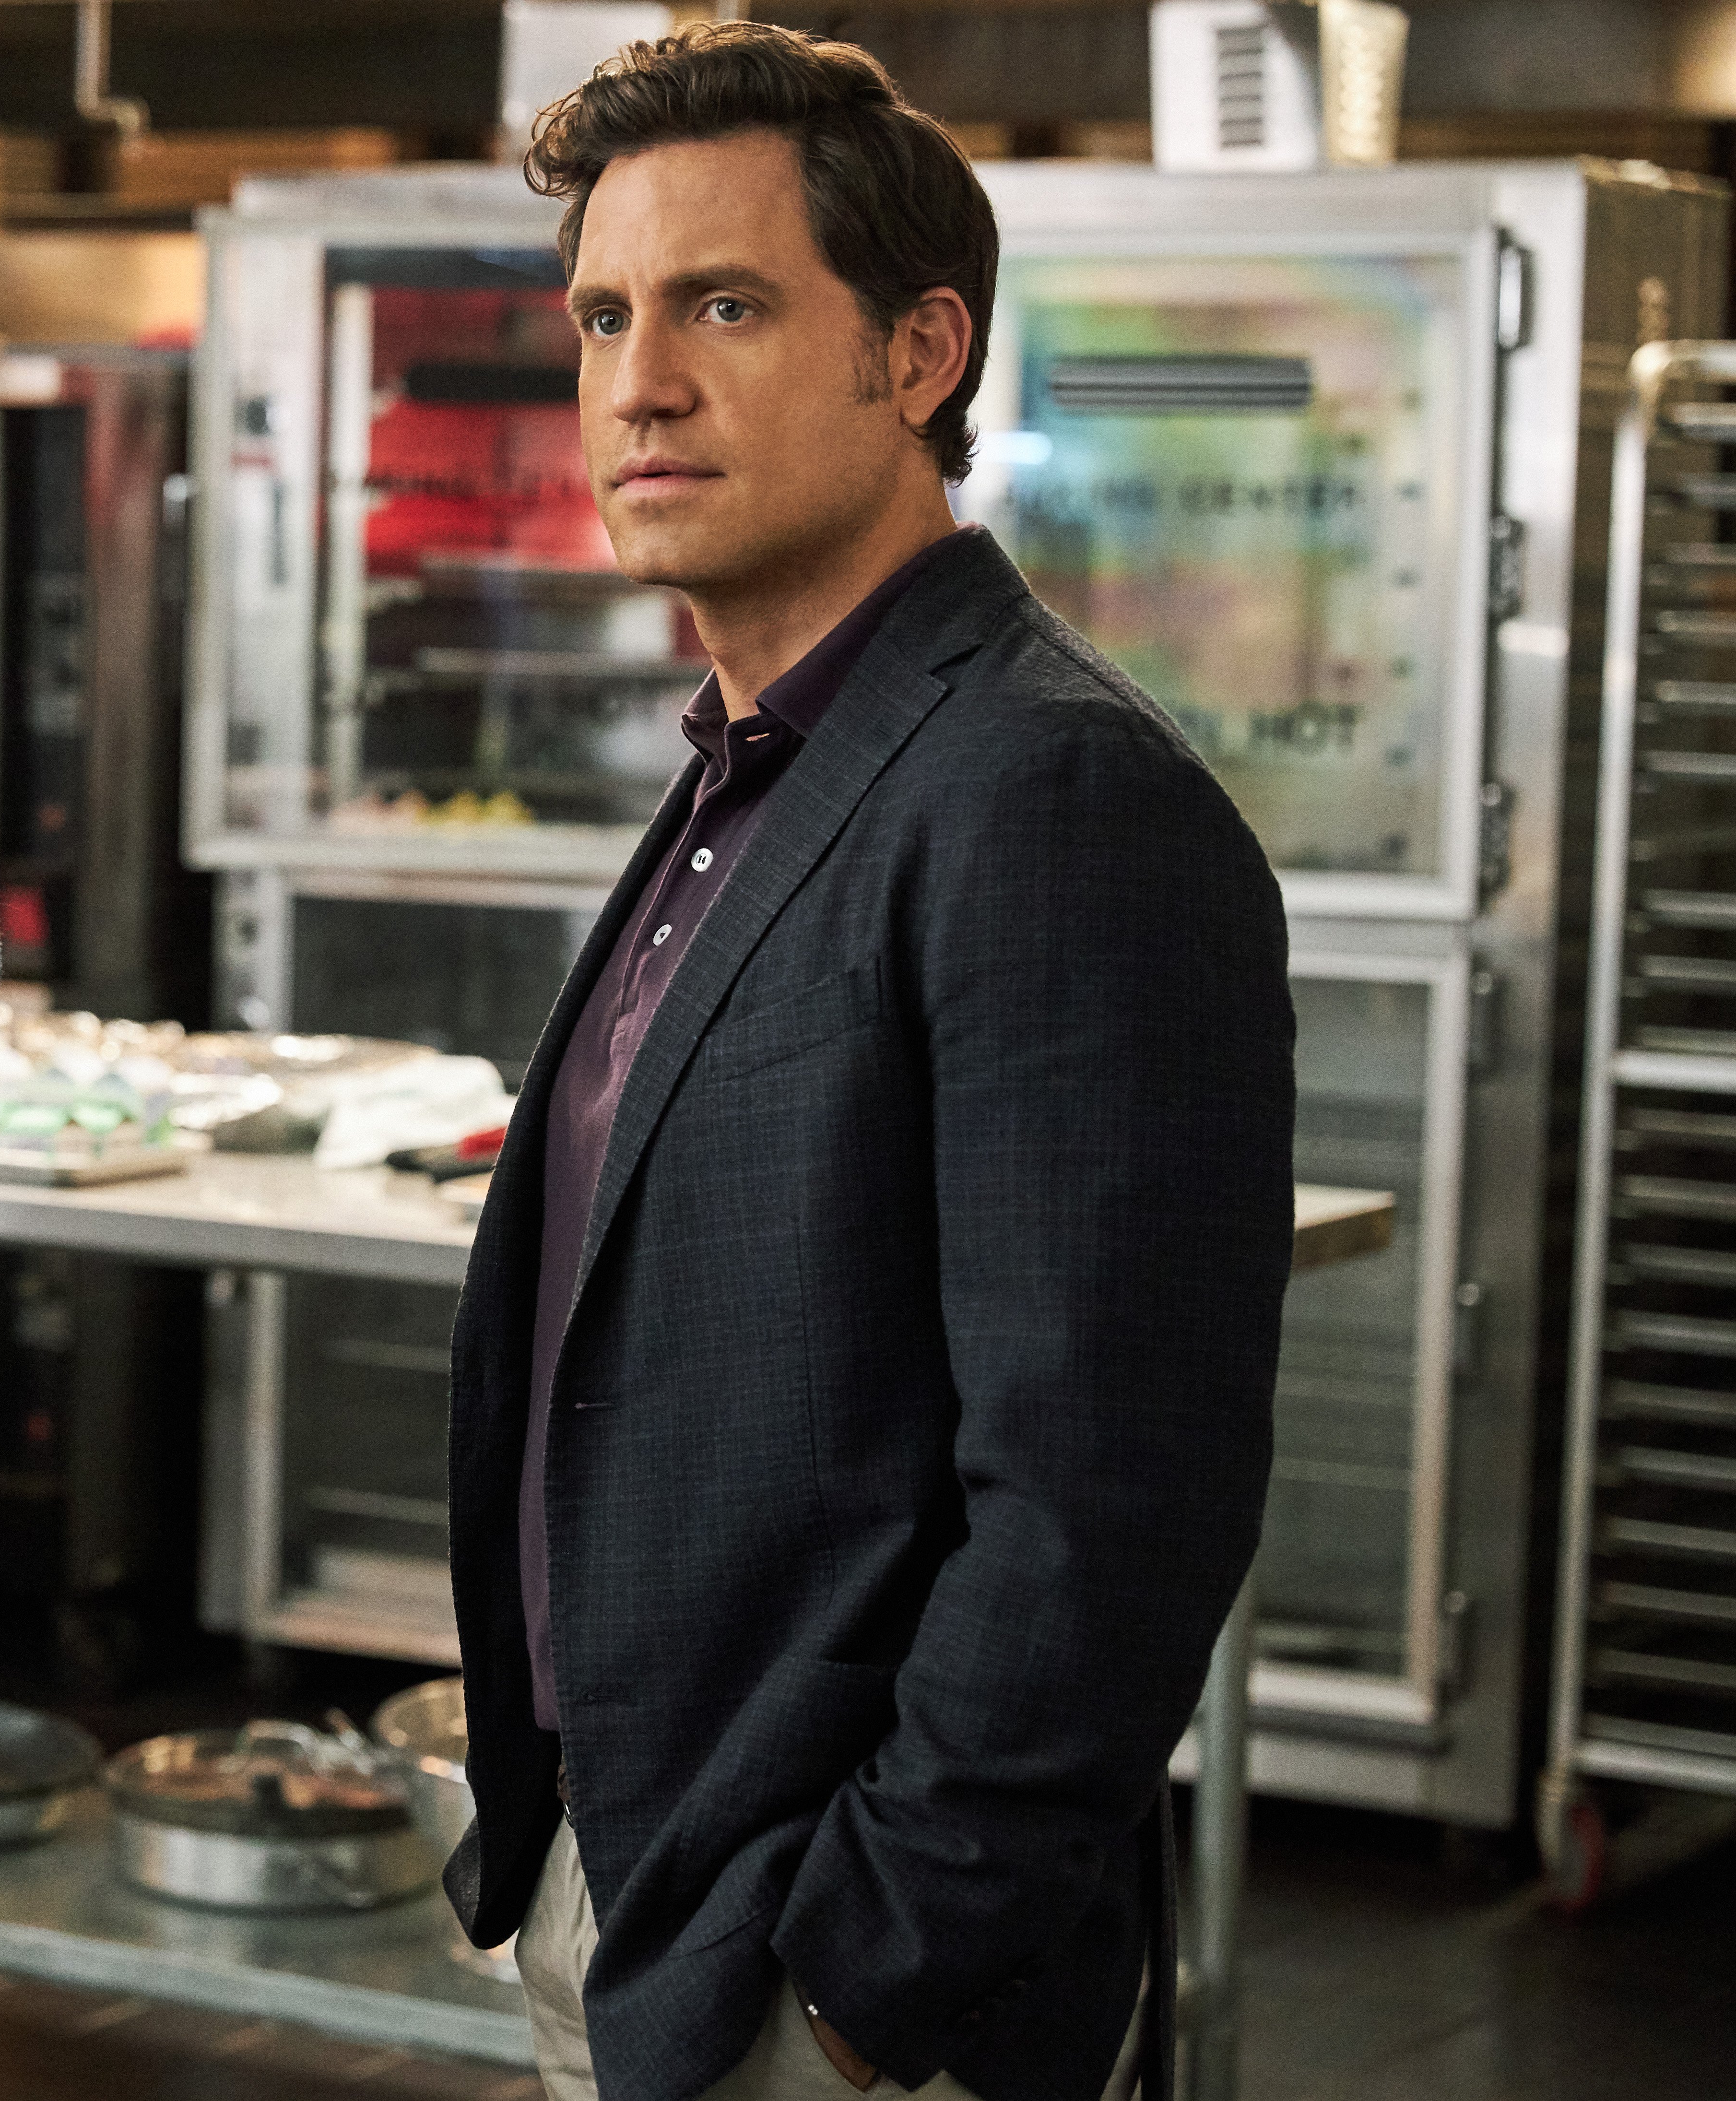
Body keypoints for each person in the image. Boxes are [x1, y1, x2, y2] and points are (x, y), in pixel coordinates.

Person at [441, 29, 1293, 2101]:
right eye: (605, 316)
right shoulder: (760, 761)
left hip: (845, 1981)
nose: (636, 380)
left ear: (916, 354)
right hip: (645, 1882)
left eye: (724, 306)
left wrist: (863, 1980)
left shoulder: (1047, 791)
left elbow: (1107, 1502)